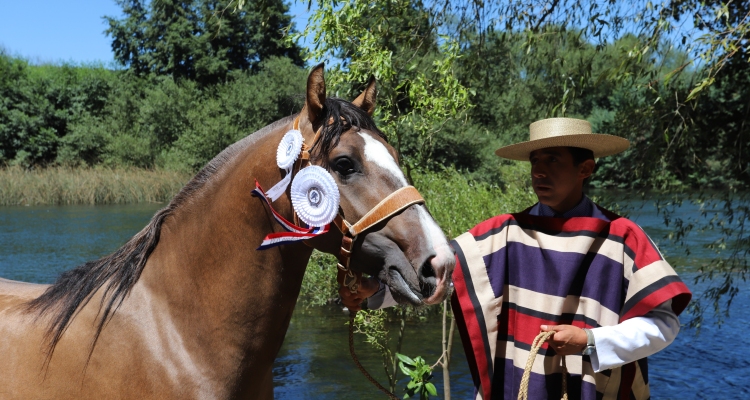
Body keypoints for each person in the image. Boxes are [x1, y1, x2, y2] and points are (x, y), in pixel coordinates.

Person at [340, 117, 692, 399]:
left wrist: (590, 342)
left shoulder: (622, 237)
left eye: (552, 160)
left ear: (586, 169)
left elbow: (664, 325)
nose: (538, 171)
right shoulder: (504, 233)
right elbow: (438, 279)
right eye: (535, 161)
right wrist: (373, 294)